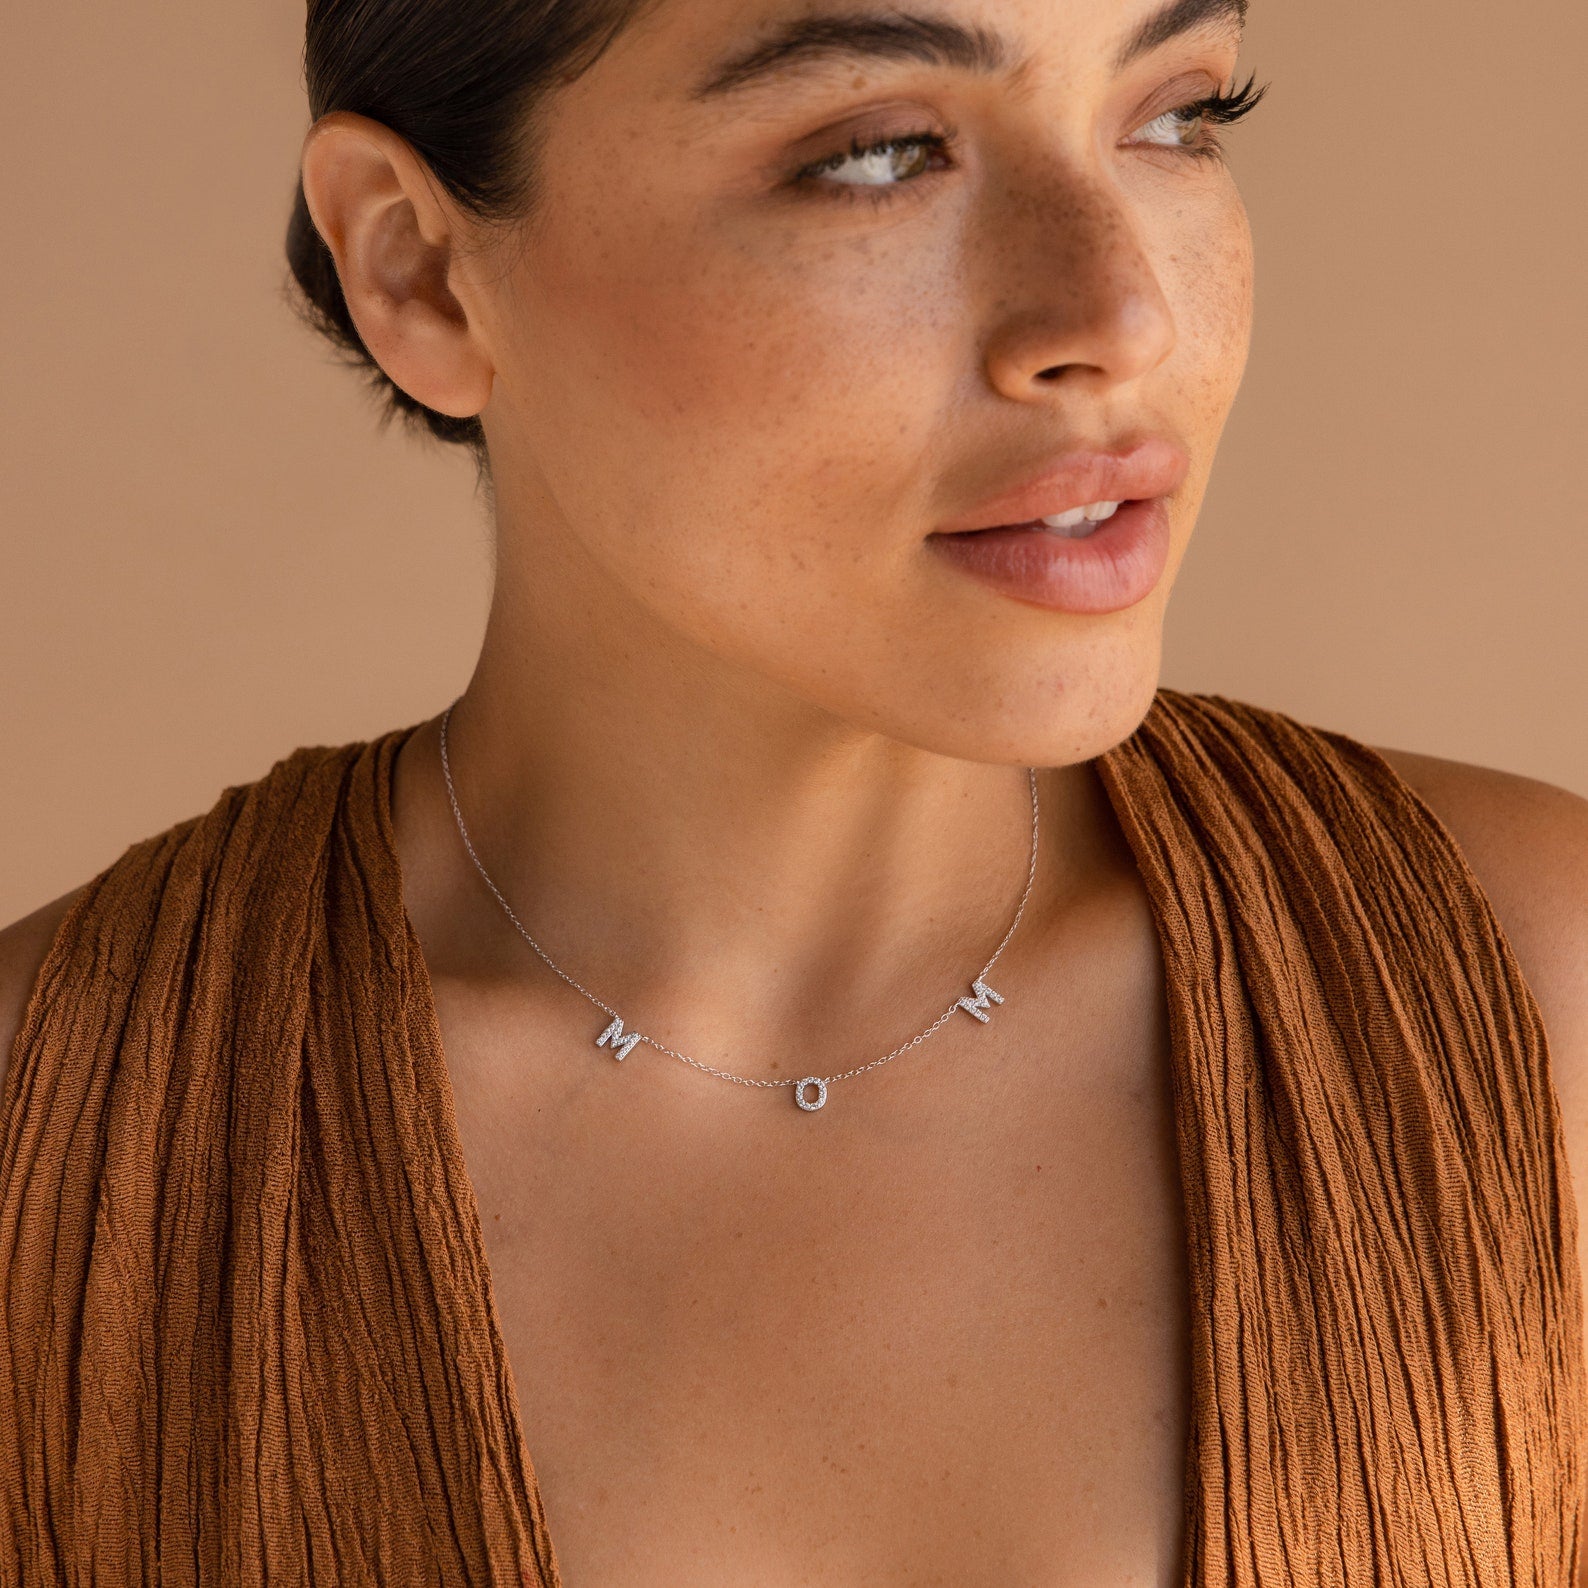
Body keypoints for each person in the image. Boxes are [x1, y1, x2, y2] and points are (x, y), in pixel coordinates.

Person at [3, 0, 1587, 1583]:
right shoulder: (51, 1165)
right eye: (879, 153)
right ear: (418, 267)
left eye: (1175, 116)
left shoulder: (1537, 1003)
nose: (1122, 315)